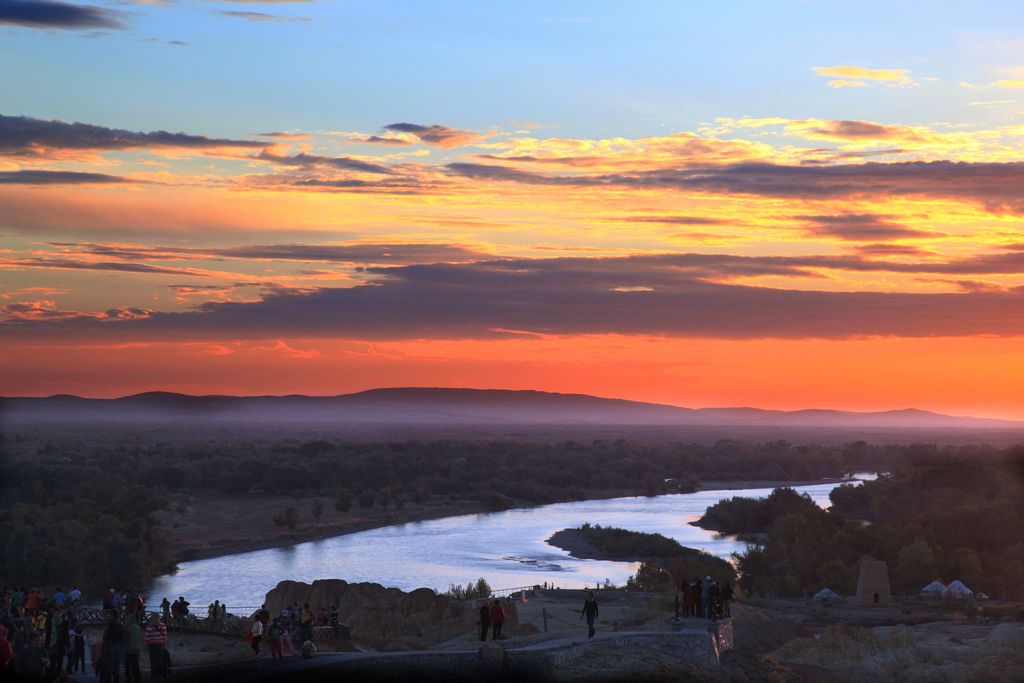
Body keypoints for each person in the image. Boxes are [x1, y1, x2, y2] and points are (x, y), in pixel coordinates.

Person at [144, 613, 168, 679]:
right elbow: (165, 636)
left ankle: (153, 674)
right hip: (160, 645)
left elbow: (147, 637)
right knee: (160, 660)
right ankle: (161, 674)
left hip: (152, 646)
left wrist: (146, 645)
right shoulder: (163, 625)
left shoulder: (150, 627)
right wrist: (164, 643)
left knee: (153, 660)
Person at [124, 614, 142, 682]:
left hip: (129, 649)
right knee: (136, 665)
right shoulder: (138, 627)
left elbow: (125, 638)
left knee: (128, 665)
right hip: (137, 649)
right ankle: (138, 678)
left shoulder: (127, 628)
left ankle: (129, 679)